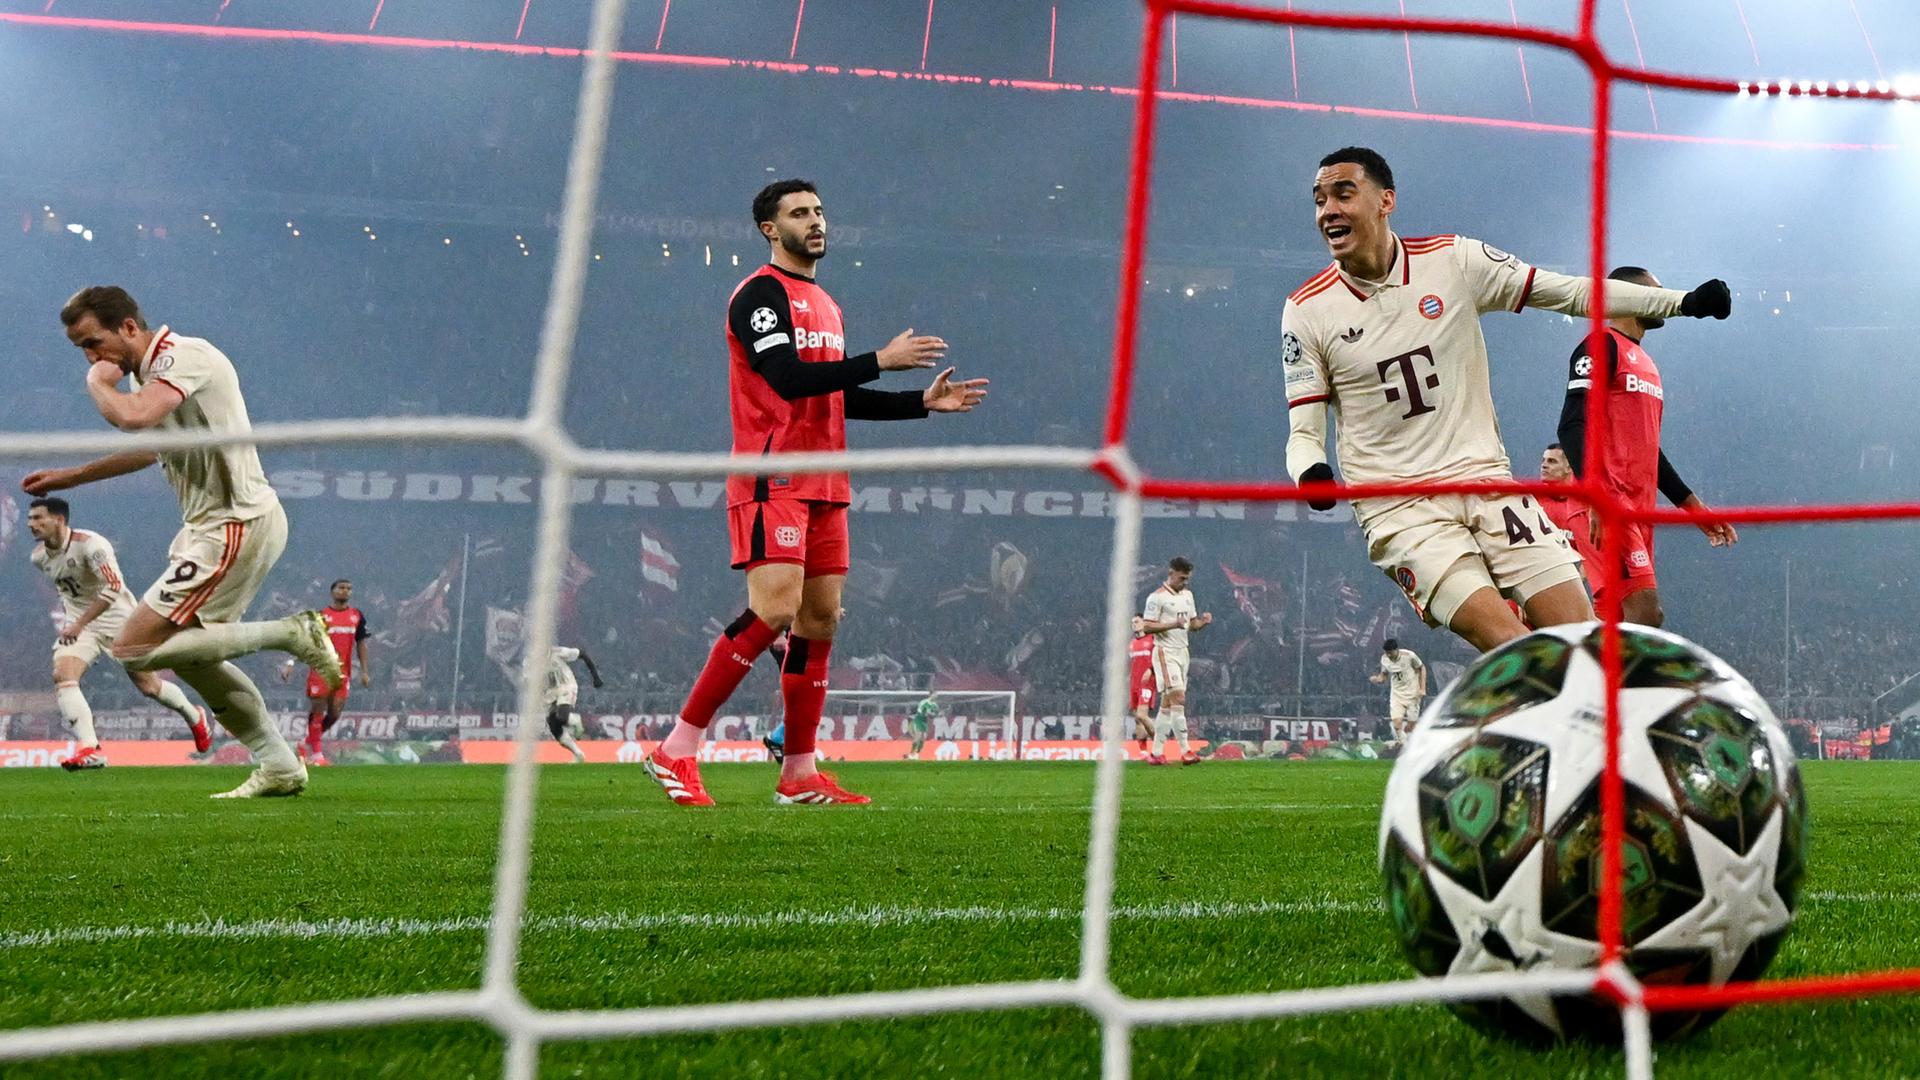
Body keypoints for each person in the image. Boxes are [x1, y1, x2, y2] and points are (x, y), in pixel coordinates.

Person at [1282, 147, 1734, 653]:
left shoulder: (1453, 260)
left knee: (1582, 641)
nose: (1328, 211)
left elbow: (1568, 292)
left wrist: (1682, 302)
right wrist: (1311, 472)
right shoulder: (1306, 310)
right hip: (1401, 507)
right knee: (1514, 644)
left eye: (1343, 194)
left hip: (1488, 483)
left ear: (1386, 200)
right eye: (1319, 200)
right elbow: (1303, 433)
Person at [645, 179, 988, 808]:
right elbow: (786, 378)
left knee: (820, 619)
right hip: (774, 473)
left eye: (820, 211)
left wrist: (921, 402)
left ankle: (799, 772)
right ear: (770, 229)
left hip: (827, 479)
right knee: (774, 609)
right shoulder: (759, 296)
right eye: (800, 213)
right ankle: (676, 747)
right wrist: (880, 360)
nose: (816, 221)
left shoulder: (826, 303)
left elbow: (835, 394)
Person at [23, 286, 340, 798]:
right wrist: (73, 476)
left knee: (132, 648)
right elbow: (153, 448)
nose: (91, 357)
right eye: (82, 350)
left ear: (129, 327)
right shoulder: (150, 377)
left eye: (93, 342)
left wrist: (96, 382)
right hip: (210, 529)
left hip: (234, 523)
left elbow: (133, 417)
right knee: (195, 658)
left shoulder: (181, 356)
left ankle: (290, 632)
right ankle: (279, 765)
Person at [1553, 267, 1738, 627]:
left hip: (1639, 508)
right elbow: (1572, 424)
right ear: (1630, 297)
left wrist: (1694, 509)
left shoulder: (1646, 363)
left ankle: (1572, 664)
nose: (1661, 300)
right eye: (1654, 292)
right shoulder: (1601, 345)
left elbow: (1649, 450)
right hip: (1608, 501)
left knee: (1616, 622)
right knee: (1646, 616)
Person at [25, 497, 213, 769]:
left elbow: (113, 587)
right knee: (63, 675)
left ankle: (194, 716)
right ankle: (90, 749)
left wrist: (78, 623)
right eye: (30, 518)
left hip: (120, 621)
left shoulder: (92, 545)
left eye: (38, 518)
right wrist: (75, 622)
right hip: (81, 626)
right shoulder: (39, 558)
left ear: (59, 519)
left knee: (149, 687)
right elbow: (69, 590)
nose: (31, 524)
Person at [280, 579, 371, 765]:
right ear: (332, 592)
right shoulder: (321, 617)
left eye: (349, 588)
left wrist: (364, 671)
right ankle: (317, 755)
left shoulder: (356, 616)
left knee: (335, 714)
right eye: (341, 588)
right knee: (318, 710)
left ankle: (305, 742)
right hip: (320, 670)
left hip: (342, 673)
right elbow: (306, 643)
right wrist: (290, 662)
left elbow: (361, 643)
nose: (345, 591)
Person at [1141, 557, 1211, 765]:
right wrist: (1172, 624)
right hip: (1165, 652)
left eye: (1187, 579)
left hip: (1183, 652)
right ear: (1171, 573)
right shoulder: (1157, 598)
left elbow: (1191, 625)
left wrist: (1203, 622)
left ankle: (1156, 754)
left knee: (1167, 704)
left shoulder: (1188, 595)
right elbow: (1146, 626)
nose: (1185, 582)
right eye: (1182, 578)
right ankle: (1186, 751)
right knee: (1178, 699)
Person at [544, 645, 603, 763]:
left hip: (566, 686)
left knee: (562, 717)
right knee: (553, 725)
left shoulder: (557, 652)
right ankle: (578, 753)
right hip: (550, 693)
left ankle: (575, 720)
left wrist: (596, 677)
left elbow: (583, 654)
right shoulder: (529, 662)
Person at [1370, 638, 1427, 744]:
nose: (1389, 655)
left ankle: (1411, 740)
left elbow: (1422, 668)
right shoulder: (1384, 659)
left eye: (1390, 652)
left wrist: (1422, 688)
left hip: (1412, 694)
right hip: (1396, 695)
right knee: (1397, 724)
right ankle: (1403, 744)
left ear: (1396, 650)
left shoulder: (1409, 656)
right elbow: (1384, 675)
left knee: (1411, 726)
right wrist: (1377, 679)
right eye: (1387, 653)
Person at [1128, 615, 1157, 753]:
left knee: (1141, 715)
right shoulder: (1132, 643)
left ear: (1144, 623)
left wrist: (1151, 670)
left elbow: (1159, 658)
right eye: (1132, 622)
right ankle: (1143, 752)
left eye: (1137, 621)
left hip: (1147, 683)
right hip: (1134, 683)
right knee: (1137, 719)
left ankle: (1160, 742)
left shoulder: (1153, 640)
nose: (1134, 624)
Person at [906, 692, 940, 759]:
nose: (936, 696)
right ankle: (911, 753)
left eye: (937, 695)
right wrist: (927, 713)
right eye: (935, 694)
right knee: (918, 736)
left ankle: (917, 753)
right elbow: (920, 711)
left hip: (925, 721)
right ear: (930, 695)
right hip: (919, 719)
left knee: (923, 738)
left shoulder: (935, 705)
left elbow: (934, 714)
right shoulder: (924, 702)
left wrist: (933, 715)